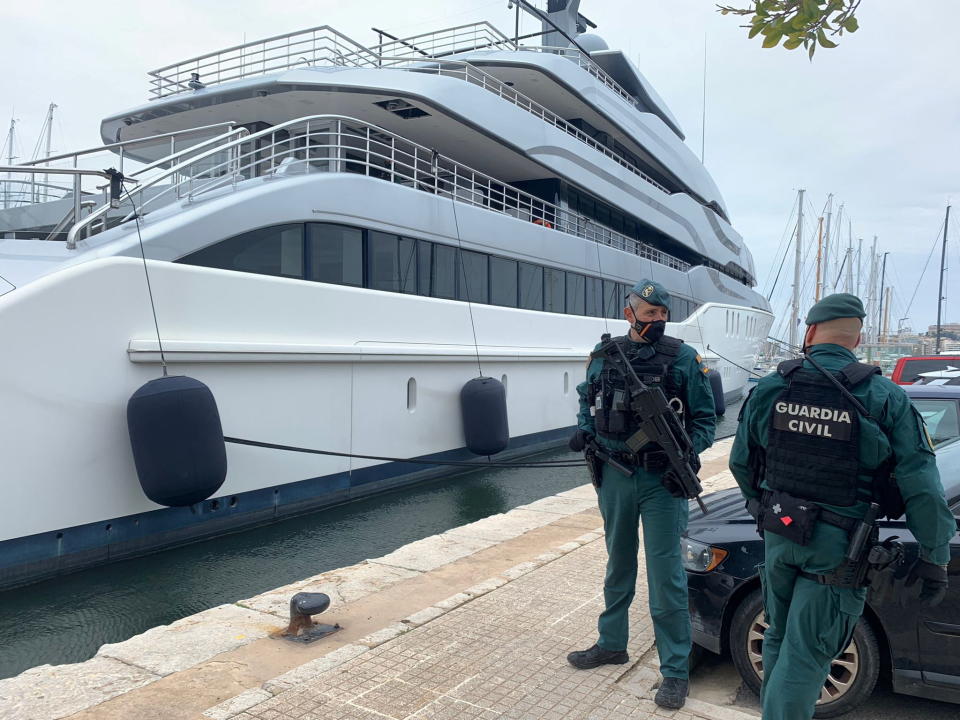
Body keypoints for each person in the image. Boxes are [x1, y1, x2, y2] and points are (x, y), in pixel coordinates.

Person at [730, 293, 956, 720]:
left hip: (780, 534)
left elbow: (741, 463)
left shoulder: (773, 387)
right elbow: (922, 487)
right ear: (858, 338)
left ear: (811, 332)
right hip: (837, 550)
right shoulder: (882, 396)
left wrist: (764, 510)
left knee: (779, 638)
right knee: (808, 657)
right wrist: (935, 555)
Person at [567, 279, 716, 709]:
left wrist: (684, 457)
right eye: (649, 314)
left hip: (661, 483)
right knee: (618, 562)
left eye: (662, 315)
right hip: (614, 475)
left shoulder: (684, 359)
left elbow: (706, 420)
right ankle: (612, 643)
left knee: (666, 575)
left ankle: (674, 669)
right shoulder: (603, 355)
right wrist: (584, 430)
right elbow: (587, 399)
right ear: (629, 312)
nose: (657, 322)